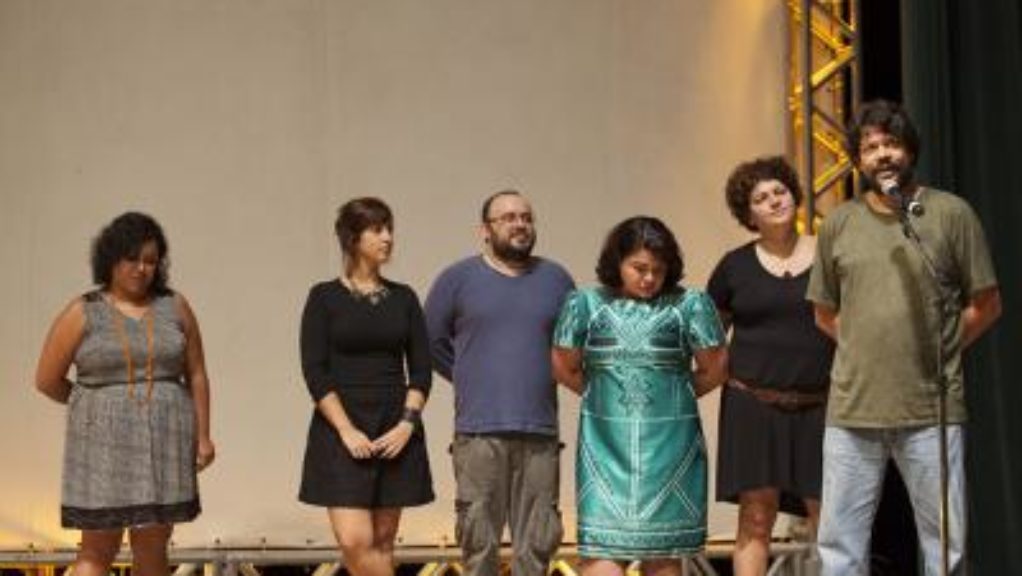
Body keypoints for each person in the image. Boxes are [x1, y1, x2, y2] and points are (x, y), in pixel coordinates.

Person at [807, 99, 1002, 575]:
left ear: (909, 149)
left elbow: (987, 304)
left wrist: (942, 348)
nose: (882, 155)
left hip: (931, 408)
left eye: (890, 143)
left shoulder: (950, 213)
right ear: (858, 161)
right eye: (870, 148)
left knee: (946, 544)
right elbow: (824, 313)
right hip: (853, 409)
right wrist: (864, 351)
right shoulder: (839, 223)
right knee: (839, 546)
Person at [35, 212, 215, 576]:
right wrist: (93, 406)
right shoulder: (83, 311)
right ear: (111, 259)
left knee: (153, 542)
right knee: (98, 546)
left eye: (150, 260)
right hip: (101, 446)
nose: (141, 268)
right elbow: (47, 379)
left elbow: (196, 373)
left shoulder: (175, 306)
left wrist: (203, 436)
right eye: (132, 259)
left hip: (163, 440)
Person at [551, 216, 728, 576]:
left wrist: (672, 397)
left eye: (658, 270)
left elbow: (715, 368)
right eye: (639, 268)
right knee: (601, 553)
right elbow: (563, 366)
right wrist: (603, 397)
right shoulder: (585, 304)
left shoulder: (690, 304)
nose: (649, 278)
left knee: (663, 556)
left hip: (671, 452)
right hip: (604, 451)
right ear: (617, 262)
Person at [424, 190, 574, 576]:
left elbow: (573, 347)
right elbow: (431, 343)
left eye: (526, 217)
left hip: (539, 433)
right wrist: (472, 376)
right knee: (479, 547)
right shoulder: (457, 280)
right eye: (508, 218)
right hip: (478, 435)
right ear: (485, 230)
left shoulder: (557, 280)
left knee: (537, 549)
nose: (520, 224)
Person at [707, 157, 834, 576]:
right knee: (756, 518)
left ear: (795, 196)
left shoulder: (829, 253)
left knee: (831, 521)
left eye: (779, 191)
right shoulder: (734, 267)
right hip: (752, 406)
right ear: (749, 215)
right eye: (761, 198)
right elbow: (709, 340)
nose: (774, 201)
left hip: (821, 406)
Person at [299, 197, 434, 576]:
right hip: (340, 425)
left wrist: (407, 424)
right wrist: (346, 430)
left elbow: (421, 369)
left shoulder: (404, 298)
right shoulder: (324, 297)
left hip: (395, 424)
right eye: (377, 229)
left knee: (384, 542)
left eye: (389, 229)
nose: (388, 237)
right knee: (356, 541)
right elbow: (315, 371)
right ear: (352, 238)